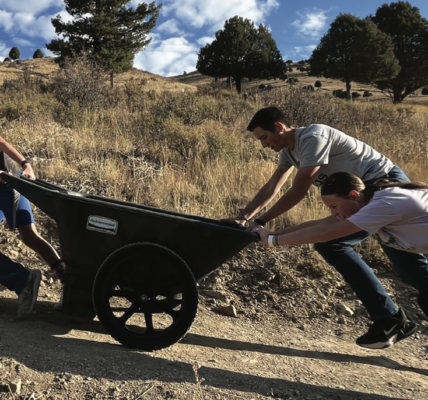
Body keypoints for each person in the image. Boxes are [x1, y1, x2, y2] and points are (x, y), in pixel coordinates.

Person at [220, 106, 428, 349]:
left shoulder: (313, 137)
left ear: (279, 127)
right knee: (408, 270)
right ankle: (390, 319)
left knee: (342, 245)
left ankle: (390, 319)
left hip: (377, 187)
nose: (264, 145)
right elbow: (273, 185)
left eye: (264, 137)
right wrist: (244, 217)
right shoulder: (289, 151)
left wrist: (262, 225)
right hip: (355, 194)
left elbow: (298, 191)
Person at [251, 172, 428, 349]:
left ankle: (393, 323)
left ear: (353, 195)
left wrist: (273, 241)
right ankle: (393, 323)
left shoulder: (385, 205)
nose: (334, 213)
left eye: (334, 206)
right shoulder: (369, 203)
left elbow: (325, 234)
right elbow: (320, 225)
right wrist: (271, 234)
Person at [0, 135, 66, 317]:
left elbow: (2, 143)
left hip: (10, 185)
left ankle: (64, 281)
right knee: (29, 236)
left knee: (29, 236)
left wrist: (25, 165)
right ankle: (15, 278)